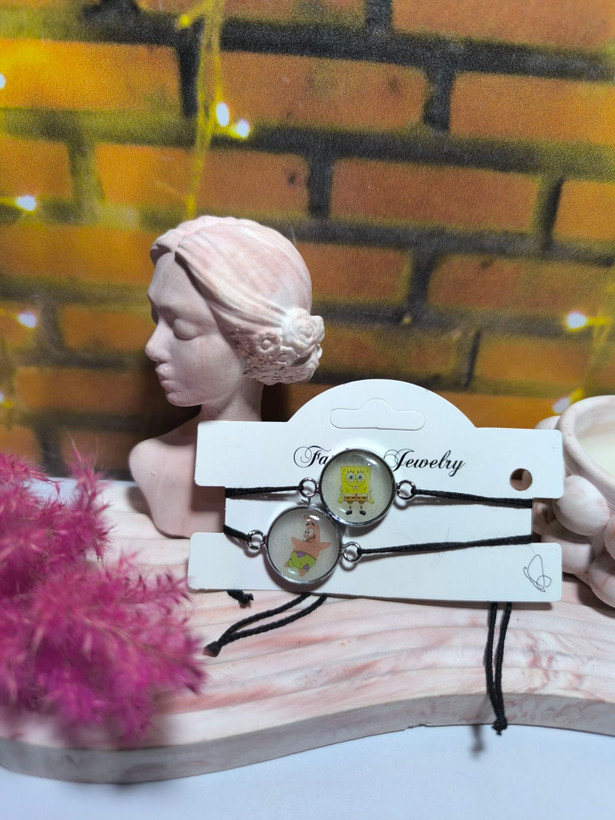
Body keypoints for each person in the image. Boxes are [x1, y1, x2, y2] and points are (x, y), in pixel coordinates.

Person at [129, 215, 324, 537]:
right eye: (155, 317)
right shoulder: (150, 463)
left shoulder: (295, 477)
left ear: (252, 344)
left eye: (181, 327)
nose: (152, 347)